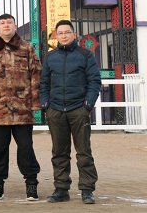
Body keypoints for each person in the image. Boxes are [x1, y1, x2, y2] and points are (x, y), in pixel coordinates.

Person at [0, 14, 42, 201]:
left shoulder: (27, 48)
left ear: (15, 26)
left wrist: (36, 103)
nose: (6, 25)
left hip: (23, 109)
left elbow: (36, 75)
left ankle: (31, 184)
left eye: (9, 23)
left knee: (26, 148)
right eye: (2, 23)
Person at [39, 20, 101, 204]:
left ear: (74, 34)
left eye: (67, 32)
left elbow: (94, 81)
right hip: (56, 110)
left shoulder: (85, 55)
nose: (64, 36)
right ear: (56, 36)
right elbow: (44, 83)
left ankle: (87, 190)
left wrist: (87, 105)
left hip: (78, 109)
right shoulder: (50, 57)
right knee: (59, 152)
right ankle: (61, 189)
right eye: (60, 33)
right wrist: (46, 104)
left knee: (84, 152)